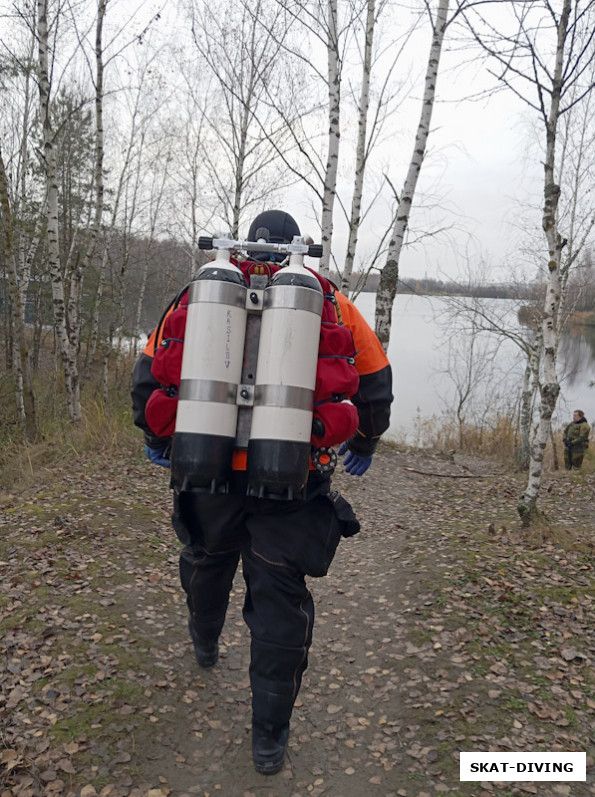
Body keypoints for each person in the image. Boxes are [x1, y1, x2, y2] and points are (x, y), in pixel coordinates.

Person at [131, 210, 393, 775]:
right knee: (279, 603)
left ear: (249, 243)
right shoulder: (327, 299)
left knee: (205, 561)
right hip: (291, 478)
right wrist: (366, 441)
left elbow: (150, 371)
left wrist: (156, 437)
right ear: (297, 247)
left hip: (209, 469)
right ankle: (269, 737)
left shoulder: (203, 293)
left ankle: (204, 638)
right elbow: (375, 383)